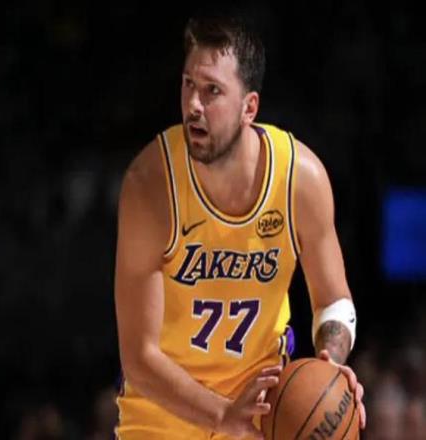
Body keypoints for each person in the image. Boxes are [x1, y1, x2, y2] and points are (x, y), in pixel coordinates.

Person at [114, 12, 366, 440]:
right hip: (161, 419)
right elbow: (139, 357)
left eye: (211, 90)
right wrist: (222, 415)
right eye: (188, 84)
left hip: (259, 413)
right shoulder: (150, 186)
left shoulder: (300, 180)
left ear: (249, 107)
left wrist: (331, 360)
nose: (193, 104)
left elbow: (335, 300)